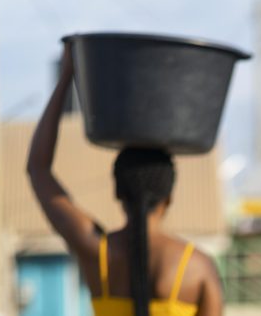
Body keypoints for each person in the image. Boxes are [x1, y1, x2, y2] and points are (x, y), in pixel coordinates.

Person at [27, 43, 223, 316]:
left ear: (117, 191)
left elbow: (38, 168)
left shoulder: (98, 252)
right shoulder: (198, 267)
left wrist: (66, 77)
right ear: (169, 197)